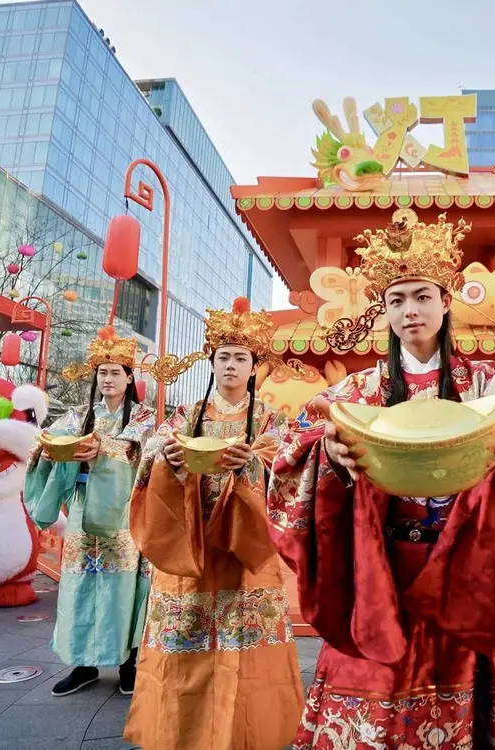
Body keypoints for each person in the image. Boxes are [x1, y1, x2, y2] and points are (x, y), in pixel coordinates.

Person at [268, 211, 495, 748]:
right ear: (385, 311)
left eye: (422, 297)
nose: (410, 311)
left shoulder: (488, 384)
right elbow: (290, 454)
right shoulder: (356, 391)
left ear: (445, 302)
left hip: (471, 570)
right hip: (383, 578)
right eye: (396, 301)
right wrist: (327, 453)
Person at [124, 297, 304, 750]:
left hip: (245, 549)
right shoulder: (186, 416)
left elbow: (289, 468)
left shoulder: (270, 419)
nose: (231, 365)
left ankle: (247, 734)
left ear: (254, 367)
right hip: (190, 546)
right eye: (223, 357)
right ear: (212, 363)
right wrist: (169, 461)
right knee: (184, 638)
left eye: (240, 358)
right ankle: (179, 733)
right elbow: (151, 452)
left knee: (245, 642)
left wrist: (254, 466)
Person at [24, 328, 156, 696]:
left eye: (115, 372)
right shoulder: (79, 415)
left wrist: (102, 449)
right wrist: (47, 449)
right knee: (79, 585)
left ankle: (128, 662)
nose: (108, 379)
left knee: (125, 587)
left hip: (123, 512)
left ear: (129, 377)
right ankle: (83, 664)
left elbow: (139, 451)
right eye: (102, 373)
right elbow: (47, 440)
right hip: (83, 511)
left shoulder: (143, 418)